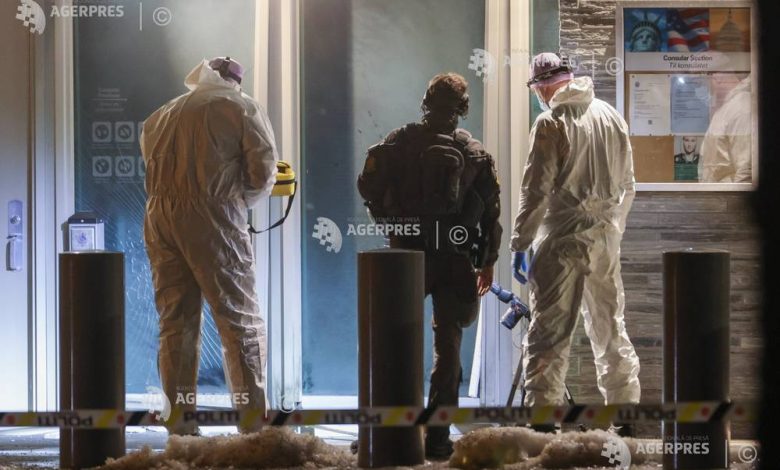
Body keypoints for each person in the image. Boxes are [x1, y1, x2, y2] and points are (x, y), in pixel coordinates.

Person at [357, 73, 502, 458]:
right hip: (455, 260)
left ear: (426, 102)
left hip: (405, 257)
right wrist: (487, 262)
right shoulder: (475, 153)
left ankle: (385, 431)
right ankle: (438, 439)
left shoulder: (399, 142)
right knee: (448, 347)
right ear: (462, 107)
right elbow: (491, 214)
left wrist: (390, 224)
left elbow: (367, 186)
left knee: (390, 340)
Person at [141, 57, 278, 435]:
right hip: (214, 216)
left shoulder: (162, 114)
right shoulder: (241, 107)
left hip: (159, 217)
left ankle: (180, 426)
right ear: (235, 82)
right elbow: (263, 173)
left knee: (176, 324)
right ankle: (253, 426)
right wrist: (239, 202)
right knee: (240, 322)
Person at [510, 53, 641, 436]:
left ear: (542, 86)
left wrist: (521, 242)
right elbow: (629, 185)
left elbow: (536, 190)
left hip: (561, 242)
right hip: (604, 240)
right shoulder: (610, 116)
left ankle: (543, 424)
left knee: (549, 334)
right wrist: (612, 229)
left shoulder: (550, 122)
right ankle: (626, 418)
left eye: (536, 89)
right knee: (610, 328)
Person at [700, 75, 752, 183]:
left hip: (727, 192)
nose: (707, 85)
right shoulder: (726, 107)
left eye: (709, 76)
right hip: (717, 190)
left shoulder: (741, 107)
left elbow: (745, 169)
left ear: (719, 78)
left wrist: (736, 195)